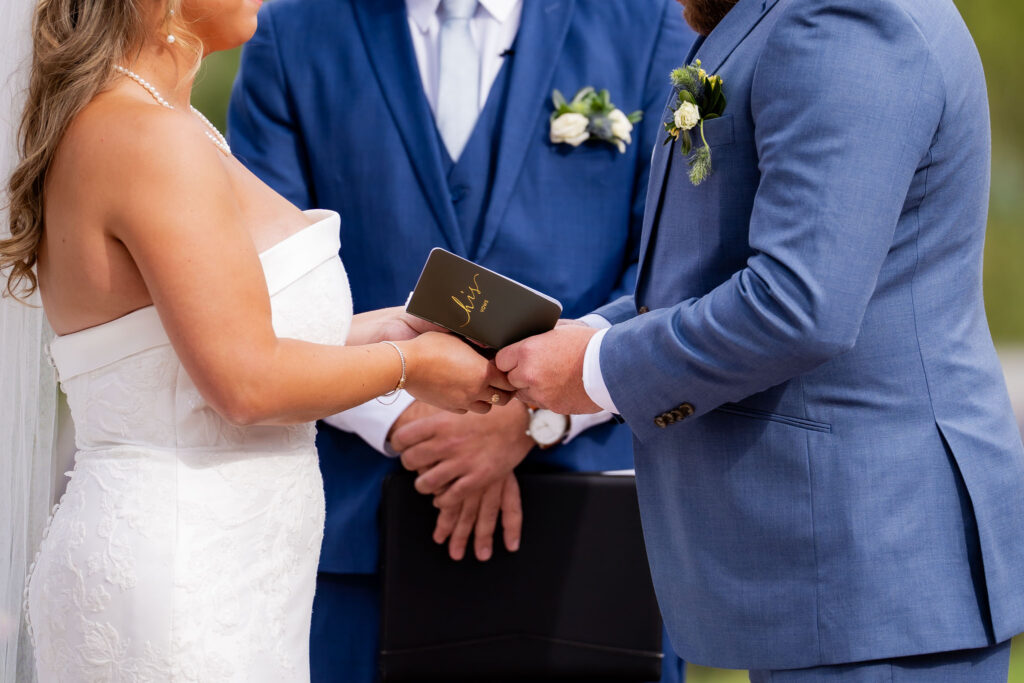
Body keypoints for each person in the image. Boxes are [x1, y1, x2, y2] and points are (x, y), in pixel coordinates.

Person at [496, 0, 1024, 680]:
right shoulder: (783, 16)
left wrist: (595, 371)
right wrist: (595, 331)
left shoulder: (843, 22)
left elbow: (800, 305)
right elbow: (733, 262)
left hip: (873, 568)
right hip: (831, 572)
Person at [1, 0, 515, 679]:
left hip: (231, 565)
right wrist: (408, 364)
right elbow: (243, 382)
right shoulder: (146, 136)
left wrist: (388, 330)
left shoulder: (167, 123)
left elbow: (204, 340)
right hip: (184, 564)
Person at [228, 1, 694, 680]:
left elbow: (676, 274)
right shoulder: (291, 29)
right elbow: (261, 287)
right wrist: (405, 411)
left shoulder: (651, 24)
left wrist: (535, 414)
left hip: (591, 537)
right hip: (356, 542)